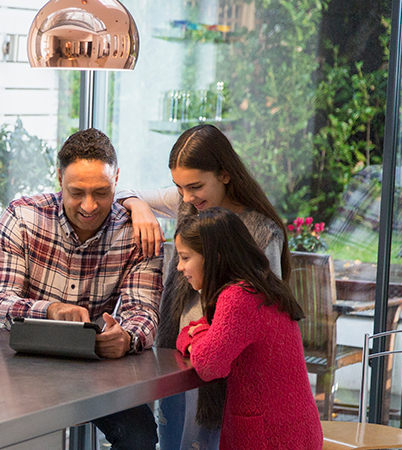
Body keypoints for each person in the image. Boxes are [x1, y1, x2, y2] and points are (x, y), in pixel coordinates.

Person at [0, 128, 163, 450]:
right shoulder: (22, 217)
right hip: (19, 366)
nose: (89, 206)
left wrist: (126, 337)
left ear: (117, 179)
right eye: (77, 192)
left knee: (140, 436)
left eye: (101, 192)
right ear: (59, 178)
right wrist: (50, 311)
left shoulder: (135, 232)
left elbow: (144, 311)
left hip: (93, 368)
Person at [116, 124, 290, 449]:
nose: (186, 197)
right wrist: (139, 207)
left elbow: (270, 318)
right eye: (179, 187)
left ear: (225, 174)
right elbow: (122, 191)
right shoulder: (189, 203)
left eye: (195, 186)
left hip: (227, 373)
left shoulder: (262, 233)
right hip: (180, 361)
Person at [174, 207, 322, 449]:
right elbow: (190, 332)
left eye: (185, 257)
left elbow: (209, 365)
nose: (180, 267)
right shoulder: (260, 286)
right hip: (296, 430)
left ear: (214, 257)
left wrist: (196, 336)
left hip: (271, 438)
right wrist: (197, 335)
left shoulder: (238, 297)